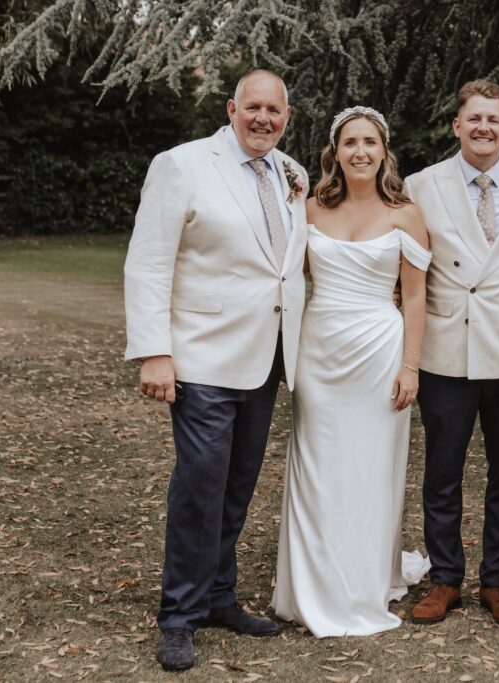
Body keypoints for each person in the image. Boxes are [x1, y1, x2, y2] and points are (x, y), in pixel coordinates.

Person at [123, 70, 308, 671]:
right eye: (252, 107)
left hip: (266, 358)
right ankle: (178, 615)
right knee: (200, 486)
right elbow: (149, 261)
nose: (263, 119)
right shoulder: (181, 164)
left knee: (236, 486)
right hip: (202, 357)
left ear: (286, 115)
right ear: (232, 108)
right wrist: (155, 350)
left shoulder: (287, 173)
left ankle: (218, 597)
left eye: (273, 111)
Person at [271, 106, 432, 637]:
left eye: (369, 142)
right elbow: (289, 276)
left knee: (370, 470)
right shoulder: (309, 209)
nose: (360, 151)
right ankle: (312, 585)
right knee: (318, 468)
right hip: (319, 353)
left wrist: (411, 367)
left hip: (380, 355)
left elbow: (413, 297)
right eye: (349, 143)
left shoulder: (405, 213)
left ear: (384, 150)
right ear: (334, 153)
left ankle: (362, 581)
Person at [404, 80, 499, 627]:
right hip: (448, 348)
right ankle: (445, 577)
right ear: (457, 126)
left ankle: (497, 579)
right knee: (442, 471)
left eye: (494, 119)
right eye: (474, 119)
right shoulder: (421, 185)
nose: (484, 127)